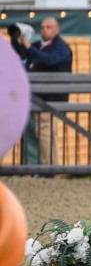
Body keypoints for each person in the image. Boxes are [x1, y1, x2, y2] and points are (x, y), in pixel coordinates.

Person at [11, 18, 73, 165]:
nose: (45, 30)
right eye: (43, 27)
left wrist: (29, 47)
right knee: (45, 132)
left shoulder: (62, 47)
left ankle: (48, 168)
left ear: (56, 30)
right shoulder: (38, 45)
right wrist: (16, 38)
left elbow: (49, 60)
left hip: (52, 97)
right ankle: (51, 166)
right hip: (39, 96)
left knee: (45, 131)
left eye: (49, 27)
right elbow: (22, 53)